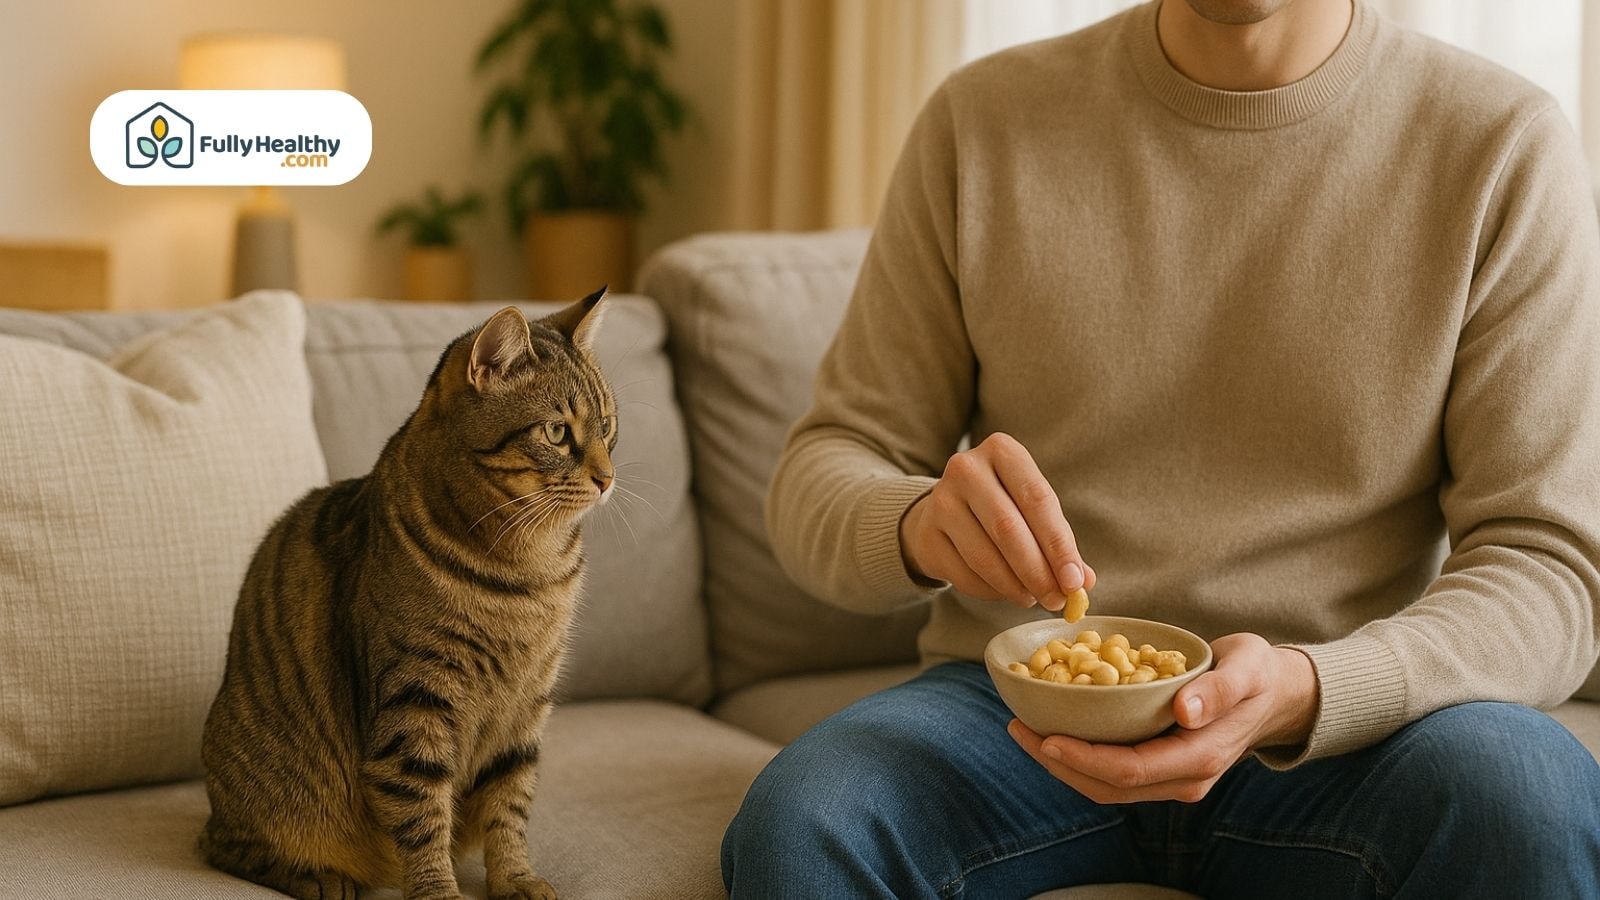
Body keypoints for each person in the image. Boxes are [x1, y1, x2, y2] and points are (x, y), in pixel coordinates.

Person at [722, 0, 1600, 896]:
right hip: (1019, 714)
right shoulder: (981, 120)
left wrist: (1309, 688)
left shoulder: (1501, 143)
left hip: (1350, 723)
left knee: (1531, 797)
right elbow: (826, 465)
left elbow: (1550, 566)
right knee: (805, 821)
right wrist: (913, 523)